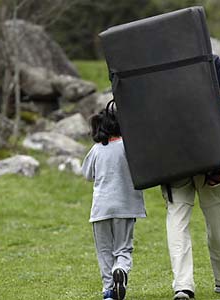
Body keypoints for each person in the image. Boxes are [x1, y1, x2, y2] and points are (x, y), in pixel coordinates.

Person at [163, 55, 220, 300]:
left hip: (171, 154)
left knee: (177, 217)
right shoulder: (208, 60)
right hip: (209, 153)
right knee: (216, 213)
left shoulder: (155, 66)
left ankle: (183, 286)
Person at [82, 101, 146, 300]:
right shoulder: (129, 147)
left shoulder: (96, 150)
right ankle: (121, 269)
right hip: (126, 207)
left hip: (101, 209)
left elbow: (87, 174)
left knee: (104, 251)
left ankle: (109, 290)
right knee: (123, 248)